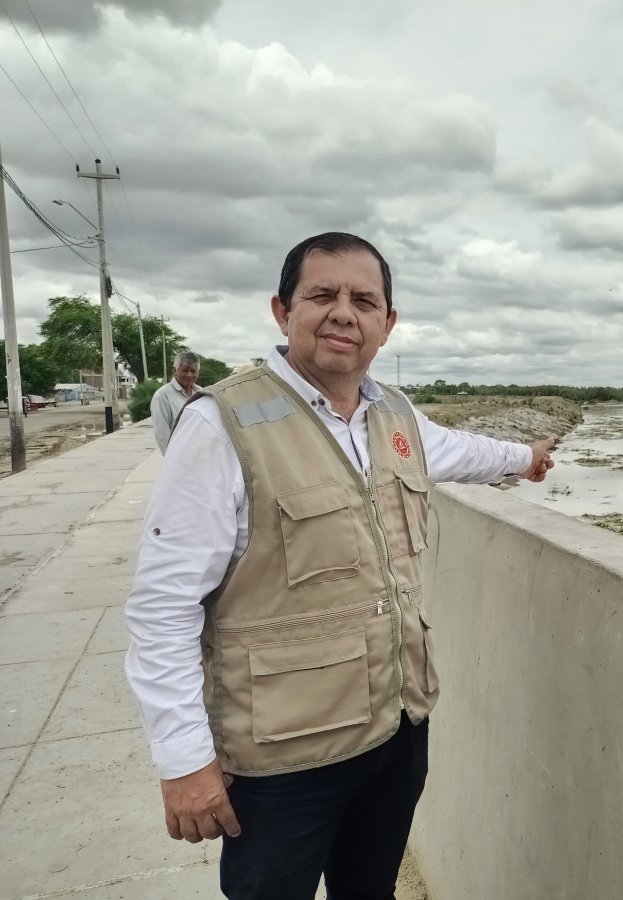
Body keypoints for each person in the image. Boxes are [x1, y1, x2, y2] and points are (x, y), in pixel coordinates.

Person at [124, 232, 556, 899]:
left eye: (364, 299)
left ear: (388, 322)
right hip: (283, 759)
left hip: (393, 734)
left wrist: (522, 458)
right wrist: (184, 760)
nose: (343, 313)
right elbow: (162, 607)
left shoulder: (394, 416)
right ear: (282, 311)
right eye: (322, 295)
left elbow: (457, 452)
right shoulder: (222, 425)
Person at [150, 351, 201, 453]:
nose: (189, 375)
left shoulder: (202, 393)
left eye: (193, 371)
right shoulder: (162, 396)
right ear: (174, 371)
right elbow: (162, 434)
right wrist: (171, 459)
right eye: (185, 370)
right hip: (179, 455)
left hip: (200, 453)